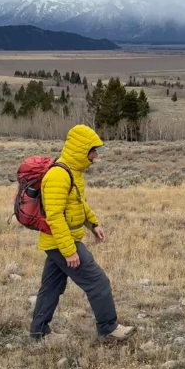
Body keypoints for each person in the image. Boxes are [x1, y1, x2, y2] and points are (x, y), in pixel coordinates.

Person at [29, 124, 135, 342]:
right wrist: (69, 251)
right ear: (81, 150)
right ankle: (108, 329)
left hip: (60, 242)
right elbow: (54, 216)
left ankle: (39, 333)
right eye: (93, 150)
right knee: (98, 282)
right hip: (61, 242)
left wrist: (93, 224)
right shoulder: (59, 175)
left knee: (51, 287)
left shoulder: (73, 172)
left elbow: (78, 204)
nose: (96, 155)